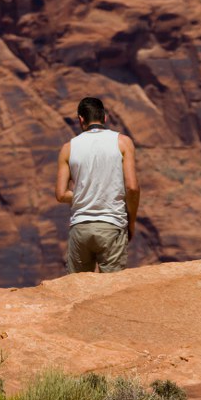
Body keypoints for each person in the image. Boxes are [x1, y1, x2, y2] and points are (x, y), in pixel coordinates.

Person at [55, 97, 140, 273]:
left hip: (81, 227)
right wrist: (131, 222)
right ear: (105, 117)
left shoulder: (68, 148)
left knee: (77, 292)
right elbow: (132, 187)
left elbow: (61, 194)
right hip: (112, 225)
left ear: (81, 119)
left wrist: (85, 194)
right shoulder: (123, 142)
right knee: (111, 292)